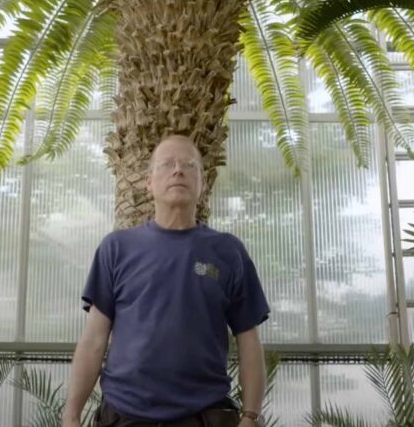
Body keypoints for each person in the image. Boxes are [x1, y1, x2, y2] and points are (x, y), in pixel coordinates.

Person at [62, 134, 271, 427]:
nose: (178, 170)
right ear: (149, 182)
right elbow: (94, 339)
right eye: (167, 164)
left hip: (203, 416)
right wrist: (71, 415)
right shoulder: (116, 248)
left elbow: (248, 341)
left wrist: (250, 416)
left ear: (203, 182)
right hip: (124, 416)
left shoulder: (228, 251)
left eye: (189, 165)